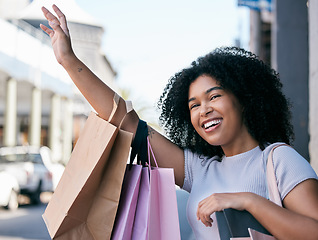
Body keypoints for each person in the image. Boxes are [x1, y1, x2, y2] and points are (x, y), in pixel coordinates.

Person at [41, 5, 318, 240]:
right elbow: (126, 122)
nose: (204, 110)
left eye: (214, 96)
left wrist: (247, 200)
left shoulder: (278, 159)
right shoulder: (201, 169)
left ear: (244, 100)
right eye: (194, 105)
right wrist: (68, 60)